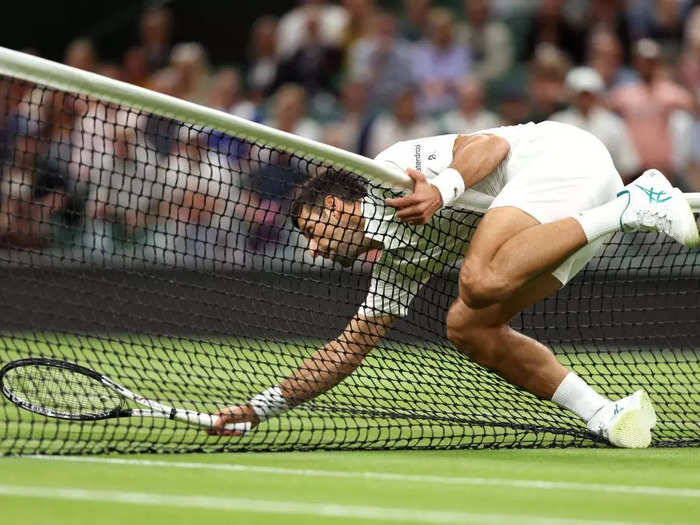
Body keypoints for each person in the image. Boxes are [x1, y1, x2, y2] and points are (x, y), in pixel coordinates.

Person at [210, 120, 699, 448]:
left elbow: (491, 145)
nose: (314, 250)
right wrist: (259, 408)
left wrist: (442, 189)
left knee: (478, 282)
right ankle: (603, 413)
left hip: (565, 159)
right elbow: (347, 349)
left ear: (335, 207)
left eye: (313, 233)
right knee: (468, 325)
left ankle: (633, 206)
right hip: (564, 217)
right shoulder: (396, 267)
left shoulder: (389, 171)